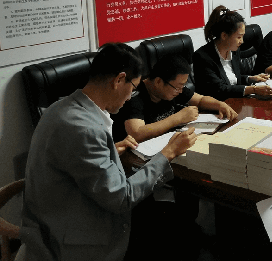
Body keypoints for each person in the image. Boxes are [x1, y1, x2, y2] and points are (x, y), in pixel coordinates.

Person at [21, 43, 197, 261]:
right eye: (133, 88)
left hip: (54, 220)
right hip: (75, 243)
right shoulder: (85, 129)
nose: (130, 96)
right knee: (166, 233)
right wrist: (168, 153)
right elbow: (122, 198)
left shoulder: (59, 108)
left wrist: (110, 150)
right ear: (119, 80)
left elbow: (74, 159)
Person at [114, 54, 237, 143]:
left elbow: (200, 100)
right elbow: (136, 133)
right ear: (158, 81)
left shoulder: (174, 87)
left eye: (183, 86)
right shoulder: (134, 95)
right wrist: (178, 118)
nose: (181, 91)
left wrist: (220, 104)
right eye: (178, 87)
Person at [193, 5, 272, 101]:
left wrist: (250, 78)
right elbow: (219, 89)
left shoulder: (233, 51)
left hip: (236, 101)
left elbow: (232, 79)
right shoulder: (202, 57)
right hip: (216, 105)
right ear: (224, 35)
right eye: (239, 37)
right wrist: (253, 89)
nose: (242, 41)